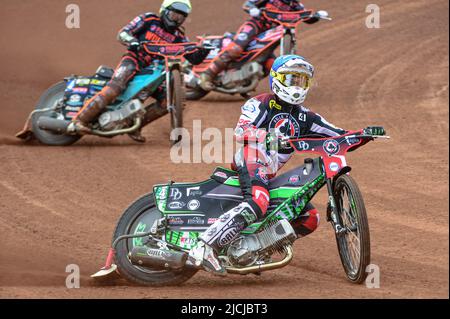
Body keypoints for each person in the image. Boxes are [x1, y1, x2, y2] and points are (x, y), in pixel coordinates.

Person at [189, 55, 385, 275]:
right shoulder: (259, 103)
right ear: (276, 79)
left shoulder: (306, 117)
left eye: (301, 81)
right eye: (291, 79)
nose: (297, 86)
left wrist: (364, 134)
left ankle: (256, 248)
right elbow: (241, 131)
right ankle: (204, 245)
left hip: (270, 173)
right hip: (251, 157)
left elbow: (339, 136)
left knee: (309, 218)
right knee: (259, 201)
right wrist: (269, 136)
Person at [72, 0, 210, 143]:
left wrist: (204, 50)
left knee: (166, 101)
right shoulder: (149, 19)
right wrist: (132, 41)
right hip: (134, 60)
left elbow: (194, 59)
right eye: (174, 15)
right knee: (115, 88)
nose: (176, 20)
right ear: (164, 10)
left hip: (154, 71)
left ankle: (135, 126)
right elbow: (123, 33)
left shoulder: (179, 36)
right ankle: (80, 120)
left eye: (181, 17)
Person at [198, 0, 328, 91]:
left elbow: (306, 17)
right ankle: (208, 75)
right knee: (236, 48)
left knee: (271, 65)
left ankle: (245, 83)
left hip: (268, 39)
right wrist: (253, 9)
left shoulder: (296, 5)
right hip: (256, 26)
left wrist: (317, 15)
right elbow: (248, 4)